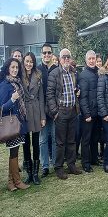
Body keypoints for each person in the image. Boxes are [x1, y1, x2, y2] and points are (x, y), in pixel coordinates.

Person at [47, 49, 82, 179]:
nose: (66, 59)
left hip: (73, 111)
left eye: (68, 57)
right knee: (60, 142)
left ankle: (71, 165)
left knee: (72, 141)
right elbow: (49, 95)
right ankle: (59, 167)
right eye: (64, 57)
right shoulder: (54, 73)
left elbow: (76, 88)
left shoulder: (73, 72)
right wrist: (55, 112)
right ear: (60, 59)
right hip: (60, 112)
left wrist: (78, 91)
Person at [0, 58, 30, 191]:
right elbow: (2, 108)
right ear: (8, 68)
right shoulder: (5, 85)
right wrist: (13, 99)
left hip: (20, 121)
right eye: (12, 67)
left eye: (17, 68)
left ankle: (11, 182)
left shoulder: (17, 83)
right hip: (11, 123)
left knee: (15, 152)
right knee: (13, 153)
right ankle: (17, 181)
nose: (15, 70)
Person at [21, 52, 46, 185]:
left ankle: (36, 173)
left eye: (31, 61)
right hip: (24, 111)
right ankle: (29, 173)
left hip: (36, 110)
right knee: (25, 144)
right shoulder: (20, 75)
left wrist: (43, 116)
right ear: (23, 62)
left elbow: (41, 97)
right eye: (27, 61)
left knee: (36, 143)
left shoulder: (38, 75)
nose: (29, 64)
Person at [37, 43, 57, 178]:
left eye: (49, 52)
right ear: (41, 54)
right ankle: (45, 166)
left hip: (55, 110)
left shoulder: (57, 69)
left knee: (55, 138)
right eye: (44, 53)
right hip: (42, 111)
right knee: (43, 140)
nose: (47, 55)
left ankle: (55, 163)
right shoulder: (37, 70)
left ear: (52, 54)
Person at [79, 50, 99, 173]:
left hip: (97, 111)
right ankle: (85, 162)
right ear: (86, 60)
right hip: (88, 113)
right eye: (90, 59)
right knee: (86, 139)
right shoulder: (83, 75)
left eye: (93, 58)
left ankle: (94, 158)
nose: (92, 61)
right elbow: (83, 97)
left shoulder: (98, 72)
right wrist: (86, 114)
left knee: (95, 138)